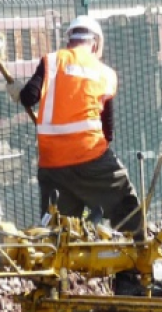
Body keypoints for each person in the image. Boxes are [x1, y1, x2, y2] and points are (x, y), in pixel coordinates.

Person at [6, 15, 143, 293]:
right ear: (96, 44)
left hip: (51, 163)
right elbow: (108, 131)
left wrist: (18, 91)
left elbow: (30, 97)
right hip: (91, 157)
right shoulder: (106, 74)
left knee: (55, 228)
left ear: (70, 40)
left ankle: (50, 285)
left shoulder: (52, 61)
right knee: (125, 205)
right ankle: (130, 276)